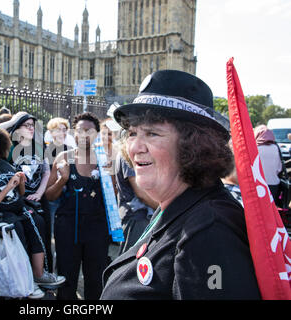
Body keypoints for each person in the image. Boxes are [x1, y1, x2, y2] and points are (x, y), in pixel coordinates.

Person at [100, 70, 260, 299]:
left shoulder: (210, 231)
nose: (135, 147)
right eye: (132, 133)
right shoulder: (177, 205)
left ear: (194, 146)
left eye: (152, 133)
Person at [0, 125, 65, 299]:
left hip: (19, 210)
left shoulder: (4, 164)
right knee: (16, 227)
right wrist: (7, 187)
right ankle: (25, 282)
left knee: (37, 220)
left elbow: (20, 194)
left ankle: (38, 275)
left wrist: (20, 182)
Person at [45, 112, 110, 300]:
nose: (83, 134)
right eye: (79, 130)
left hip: (97, 228)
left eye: (88, 131)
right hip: (67, 228)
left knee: (95, 279)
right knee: (66, 278)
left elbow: (113, 197)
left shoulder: (105, 160)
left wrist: (108, 177)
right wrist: (62, 179)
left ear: (97, 134)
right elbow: (49, 195)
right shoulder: (64, 158)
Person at [0, 112, 54, 272]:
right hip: (17, 201)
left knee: (44, 237)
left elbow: (46, 173)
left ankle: (44, 274)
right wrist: (12, 121)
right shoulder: (9, 147)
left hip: (38, 199)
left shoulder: (40, 146)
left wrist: (39, 194)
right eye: (26, 125)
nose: (31, 128)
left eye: (33, 125)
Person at [115, 149, 158, 254]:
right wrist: (165, 208)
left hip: (148, 216)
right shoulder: (127, 154)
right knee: (132, 262)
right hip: (136, 218)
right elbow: (142, 194)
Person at [254, 124, 283, 206]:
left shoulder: (255, 148)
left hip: (258, 184)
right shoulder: (276, 147)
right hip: (274, 184)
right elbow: (279, 168)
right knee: (272, 208)